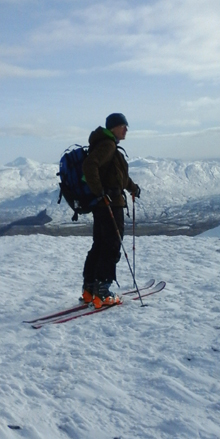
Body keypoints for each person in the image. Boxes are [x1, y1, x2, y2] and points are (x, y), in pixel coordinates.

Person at [81, 113, 141, 309]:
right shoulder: (108, 145)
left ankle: (90, 289)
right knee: (112, 245)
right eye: (123, 125)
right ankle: (103, 291)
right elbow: (90, 166)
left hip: (104, 203)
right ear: (113, 127)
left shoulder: (108, 145)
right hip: (109, 204)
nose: (126, 129)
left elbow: (118, 178)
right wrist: (101, 193)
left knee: (100, 244)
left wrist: (132, 188)